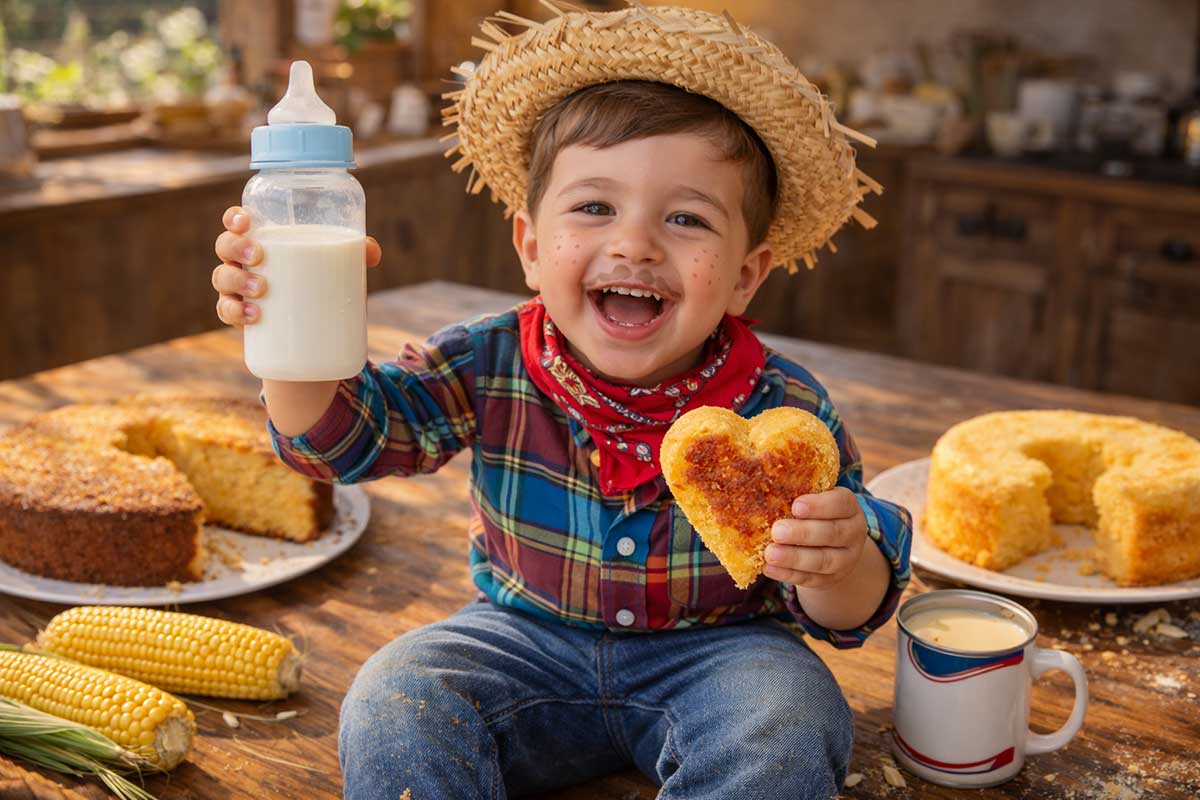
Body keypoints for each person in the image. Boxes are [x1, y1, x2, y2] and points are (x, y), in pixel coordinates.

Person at [211, 4, 911, 798]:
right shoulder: (488, 360)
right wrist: (287, 329)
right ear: (532, 246)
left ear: (748, 273)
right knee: (396, 695)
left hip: (722, 652)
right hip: (520, 641)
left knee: (788, 718)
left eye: (686, 218)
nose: (635, 243)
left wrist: (839, 559)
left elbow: (848, 609)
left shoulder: (782, 406)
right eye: (594, 207)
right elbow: (349, 442)